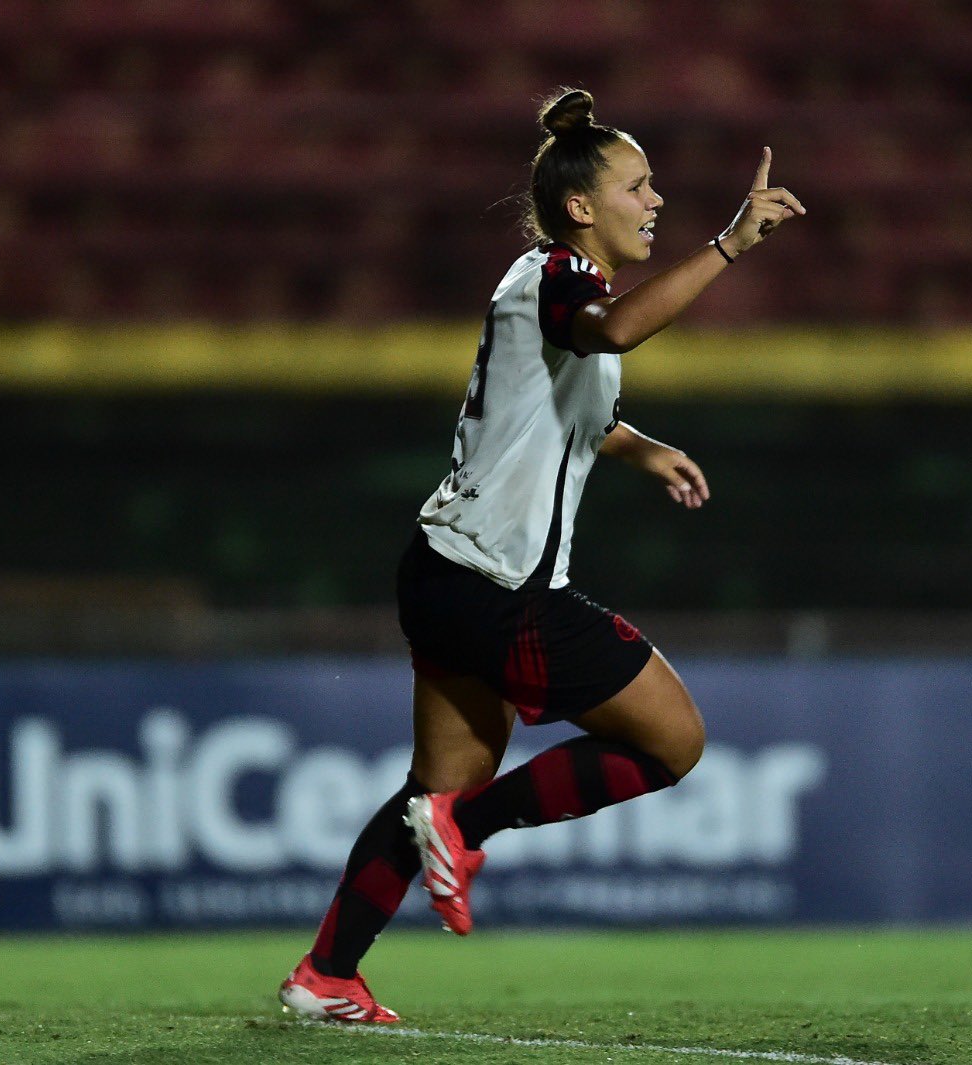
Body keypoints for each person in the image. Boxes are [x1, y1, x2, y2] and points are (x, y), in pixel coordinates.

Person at [277, 88, 805, 1024]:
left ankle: (327, 973)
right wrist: (730, 245)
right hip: (502, 590)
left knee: (431, 787)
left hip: (443, 571)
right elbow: (611, 329)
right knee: (673, 741)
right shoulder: (562, 281)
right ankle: (466, 830)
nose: (655, 202)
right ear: (581, 207)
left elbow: (561, 412)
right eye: (638, 187)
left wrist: (639, 446)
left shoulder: (544, 283)